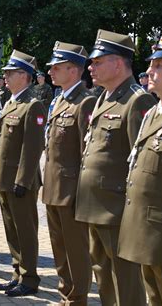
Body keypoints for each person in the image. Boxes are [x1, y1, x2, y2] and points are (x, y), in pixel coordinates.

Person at [75, 29, 156, 305]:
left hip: (117, 210)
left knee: (125, 283)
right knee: (104, 277)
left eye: (98, 61)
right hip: (95, 206)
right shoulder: (105, 97)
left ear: (118, 63)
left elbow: (139, 161)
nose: (90, 67)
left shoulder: (137, 100)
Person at [117, 26, 162, 306]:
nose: (151, 71)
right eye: (151, 64)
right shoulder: (153, 113)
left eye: (160, 65)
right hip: (147, 230)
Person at [42, 41, 96, 305]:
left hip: (72, 191)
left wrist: (83, 193)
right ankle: (66, 295)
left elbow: (87, 153)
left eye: (57, 67)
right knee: (59, 249)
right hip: (53, 188)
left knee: (76, 250)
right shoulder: (60, 100)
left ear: (74, 71)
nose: (51, 72)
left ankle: (78, 299)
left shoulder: (85, 103)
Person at [0, 50, 45, 297]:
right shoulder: (12, 102)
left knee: (25, 230)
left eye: (10, 74)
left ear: (24, 76)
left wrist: (23, 180)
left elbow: (32, 148)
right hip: (5, 179)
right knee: (12, 231)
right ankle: (17, 273)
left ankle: (30, 278)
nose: (6, 78)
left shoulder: (33, 105)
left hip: (20, 182)